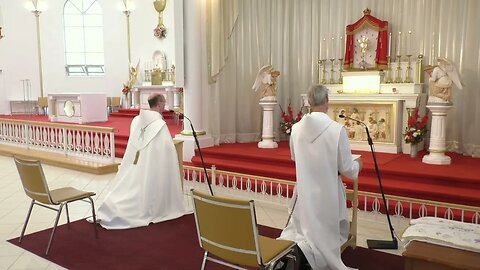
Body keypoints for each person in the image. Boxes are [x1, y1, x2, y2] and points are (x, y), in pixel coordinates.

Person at [279, 85, 362, 270]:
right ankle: (310, 255)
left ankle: (300, 251)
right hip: (328, 195)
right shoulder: (337, 130)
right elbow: (348, 169)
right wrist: (359, 165)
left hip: (304, 193)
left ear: (309, 102)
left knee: (300, 232)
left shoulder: (296, 128)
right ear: (326, 102)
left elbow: (295, 157)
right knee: (332, 236)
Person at [95, 93, 187, 229]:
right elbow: (167, 147)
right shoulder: (159, 124)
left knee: (133, 185)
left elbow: (135, 141)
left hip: (137, 162)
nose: (164, 105)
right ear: (160, 103)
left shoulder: (137, 120)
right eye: (164, 102)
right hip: (152, 165)